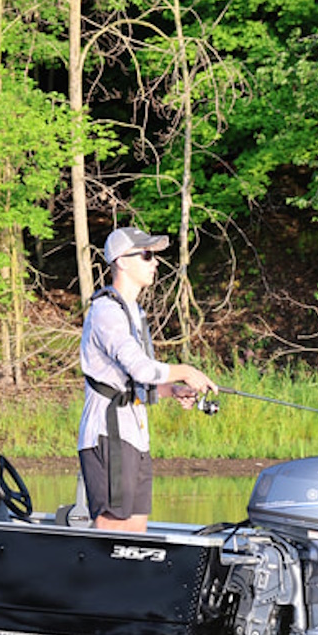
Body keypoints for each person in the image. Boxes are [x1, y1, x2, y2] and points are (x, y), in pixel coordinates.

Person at [78, 227, 215, 533]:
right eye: (147, 255)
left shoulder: (135, 312)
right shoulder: (105, 312)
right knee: (112, 527)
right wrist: (186, 371)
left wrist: (172, 390)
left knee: (137, 528)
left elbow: (135, 382)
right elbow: (140, 368)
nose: (155, 262)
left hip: (135, 436)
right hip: (109, 435)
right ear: (121, 261)